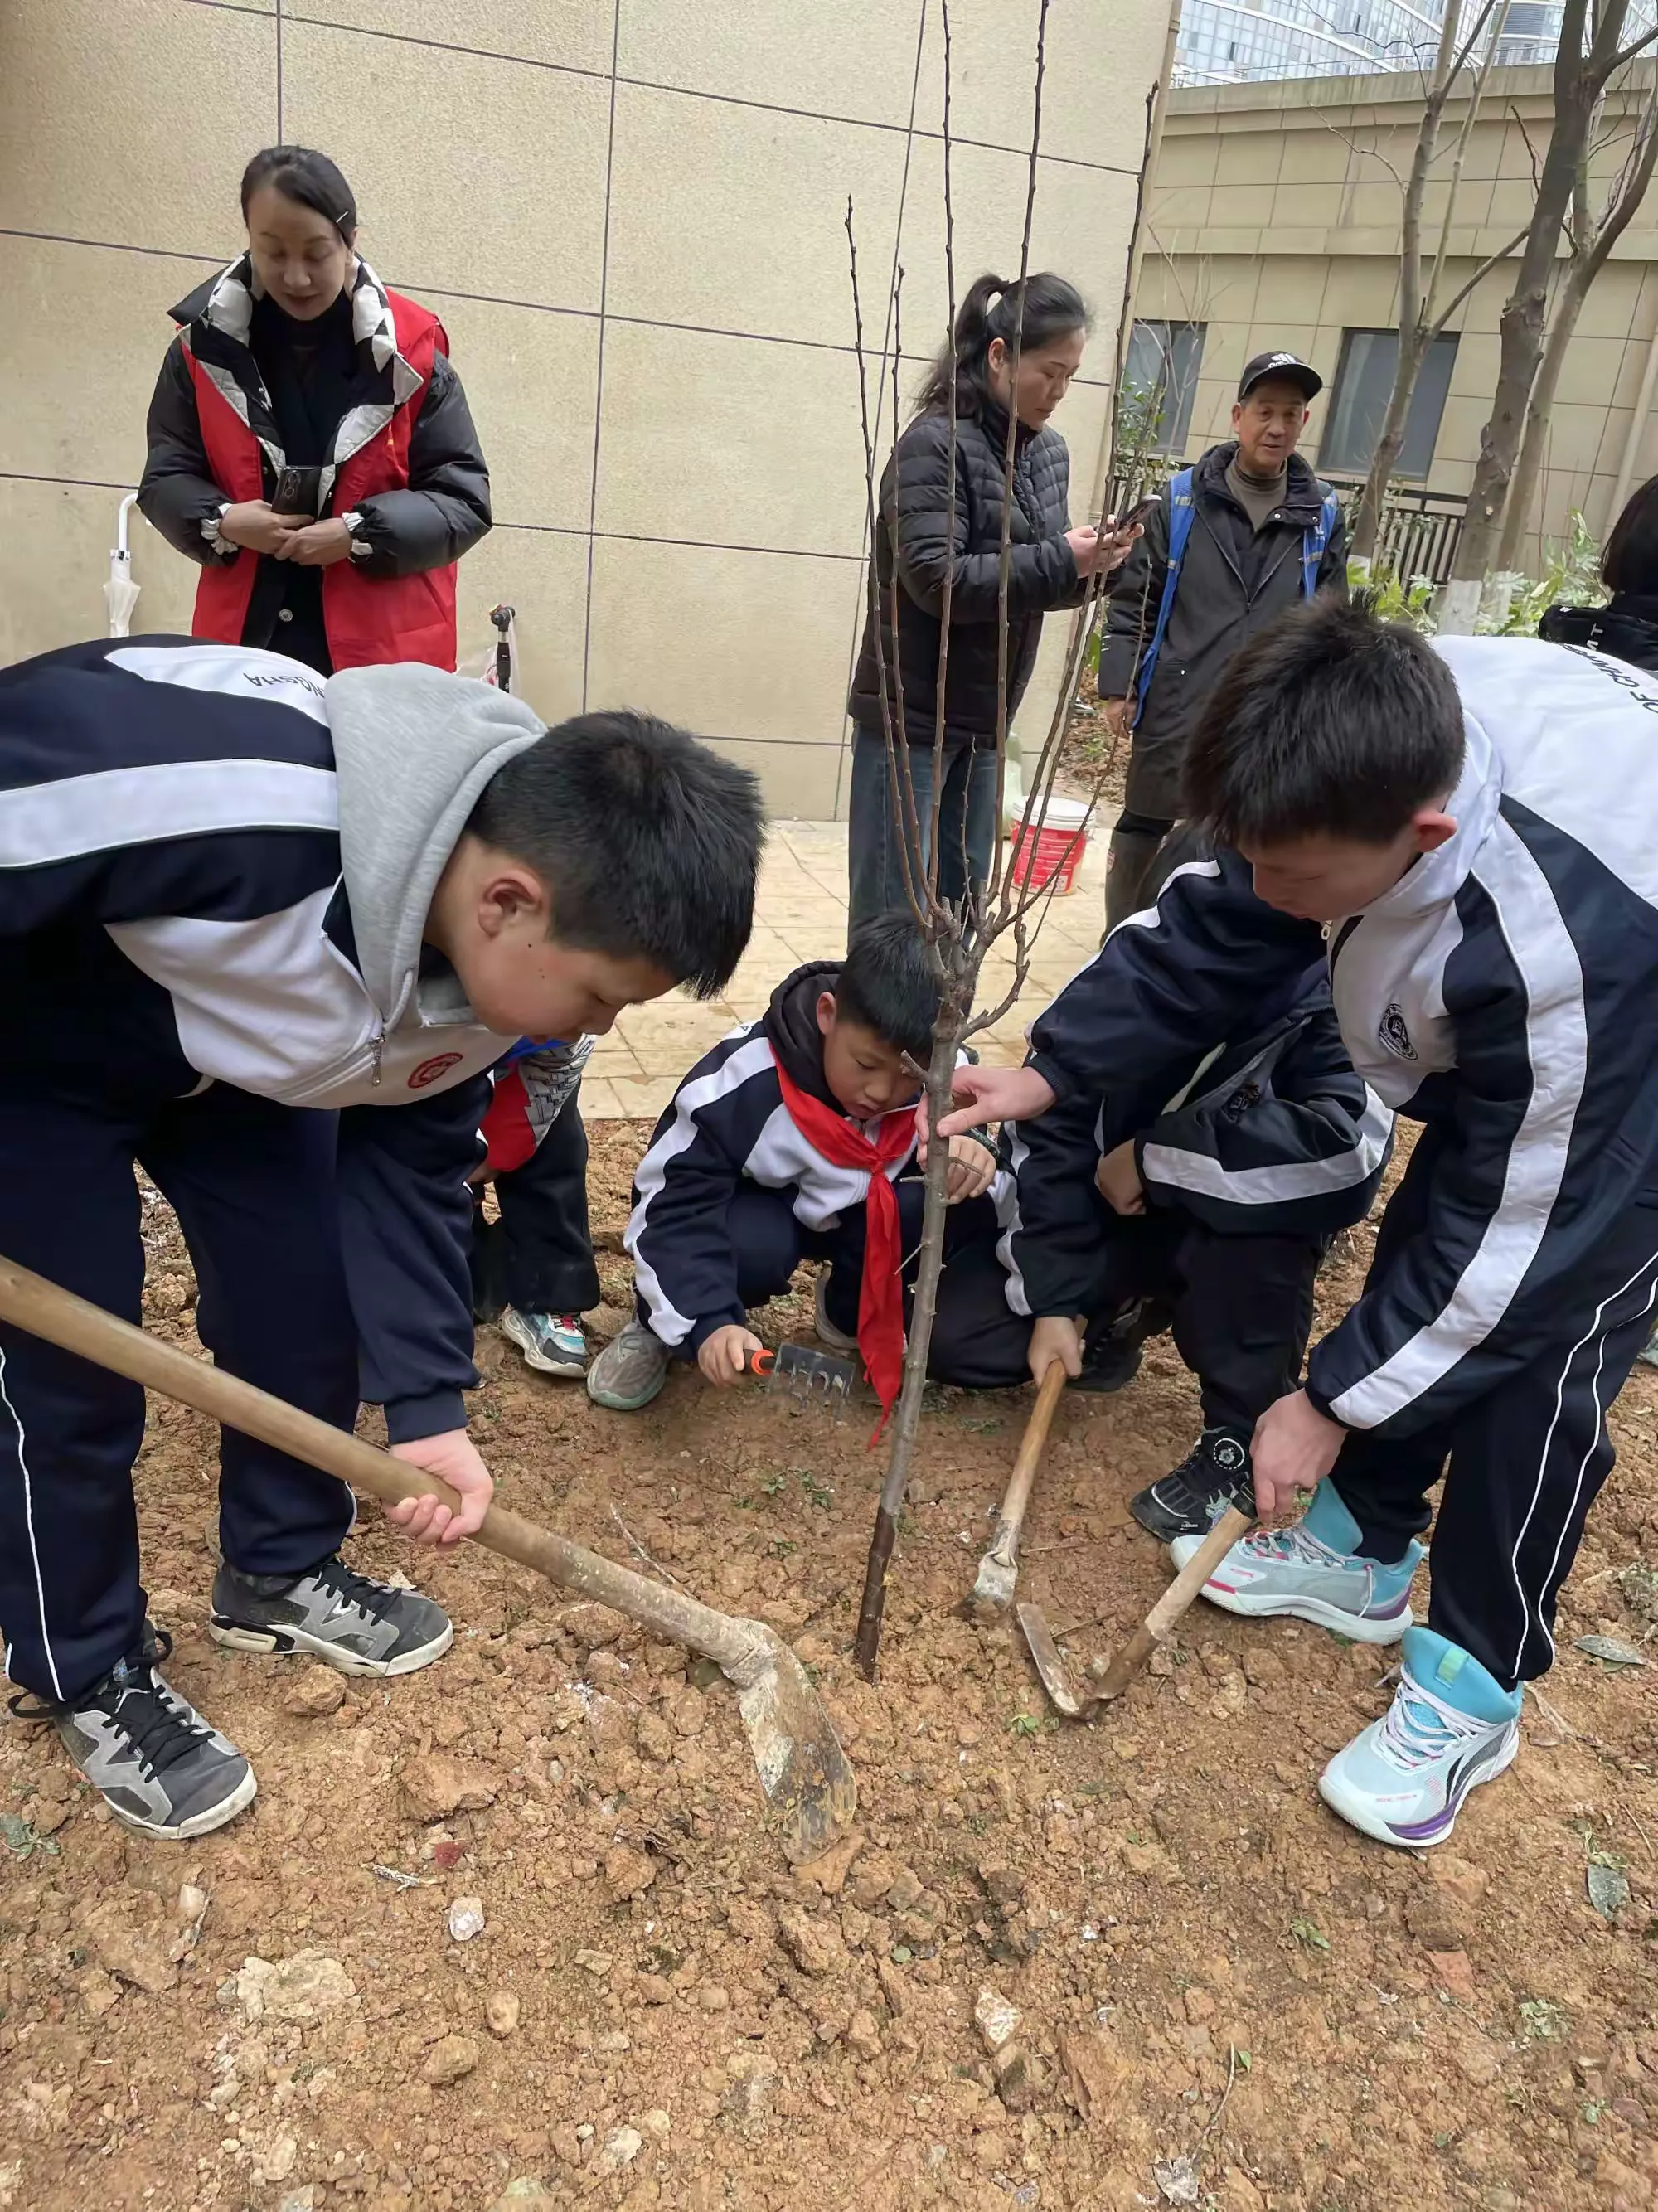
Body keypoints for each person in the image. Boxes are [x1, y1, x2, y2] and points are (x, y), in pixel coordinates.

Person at [0, 635, 761, 1841]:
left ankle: (277, 1566)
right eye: (603, 996)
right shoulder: (213, 795)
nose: (604, 1027)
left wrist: (429, 1414)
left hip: (240, 1068)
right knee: (71, 1381)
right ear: (509, 901)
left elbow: (409, 1171)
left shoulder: (480, 979)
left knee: (305, 1305)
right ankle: (85, 1666)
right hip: (37, 1051)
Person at [938, 594, 1658, 1849]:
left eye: (1300, 879)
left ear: (1422, 837)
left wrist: (1324, 1399)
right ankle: (1369, 1550)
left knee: (1543, 1347)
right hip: (1534, 1034)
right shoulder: (1347, 746)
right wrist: (1053, 1071)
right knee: (1440, 1229)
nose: (1272, 891)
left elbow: (1514, 1243)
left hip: (1635, 1057)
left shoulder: (1561, 954)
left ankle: (1474, 1684)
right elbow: (1219, 916)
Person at [1005, 831, 1391, 1539]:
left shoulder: (1334, 999)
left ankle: (1238, 1435)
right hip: (1113, 1214)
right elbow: (1051, 1136)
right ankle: (1116, 1312)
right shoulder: (1127, 985)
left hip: (1222, 1224)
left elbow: (1344, 1156)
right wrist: (1056, 1299)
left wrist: (1154, 1159)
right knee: (982, 1342)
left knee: (1264, 1216)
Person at [587, 913, 1029, 1414]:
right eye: (865, 1065)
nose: (881, 1092)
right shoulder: (745, 1082)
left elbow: (999, 1176)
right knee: (753, 1246)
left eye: (910, 1075)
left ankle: (846, 1308)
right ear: (827, 1014)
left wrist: (971, 1151)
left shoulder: (947, 1078)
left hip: (862, 1216)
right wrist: (706, 1319)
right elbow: (671, 1205)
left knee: (941, 1204)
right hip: (768, 1210)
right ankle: (658, 1322)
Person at [846, 273, 1135, 931]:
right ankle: (878, 1037)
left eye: (1072, 376)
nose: (1058, 392)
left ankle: (943, 1036)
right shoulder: (933, 444)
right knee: (895, 916)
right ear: (999, 356)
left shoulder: (1047, 455)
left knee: (964, 904)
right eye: (1049, 371)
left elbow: (1029, 583)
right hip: (912, 721)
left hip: (984, 723)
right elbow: (937, 580)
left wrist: (1098, 567)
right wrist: (1064, 556)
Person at [139, 146, 490, 677]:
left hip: (381, 655)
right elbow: (166, 476)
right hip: (246, 639)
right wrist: (226, 520)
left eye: (317, 253)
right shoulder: (201, 351)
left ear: (351, 242)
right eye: (273, 253)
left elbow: (463, 501)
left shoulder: (412, 356)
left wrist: (358, 534)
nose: (297, 277)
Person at [1097, 350, 1345, 931]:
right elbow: (1137, 599)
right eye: (1265, 411)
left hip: (1269, 719)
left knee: (1247, 840)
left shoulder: (1322, 515)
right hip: (1179, 703)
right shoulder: (1183, 500)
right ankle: (1122, 945)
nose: (1277, 426)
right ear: (1238, 416)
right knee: (1146, 827)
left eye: (1291, 413)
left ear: (1304, 423)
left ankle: (1208, 958)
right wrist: (1121, 686)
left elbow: (1333, 625)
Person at [471, 1037, 599, 1379]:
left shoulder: (572, 1008)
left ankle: (549, 1292)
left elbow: (567, 1057)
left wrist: (508, 1146)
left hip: (533, 1050)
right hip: (404, 1053)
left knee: (552, 1146)